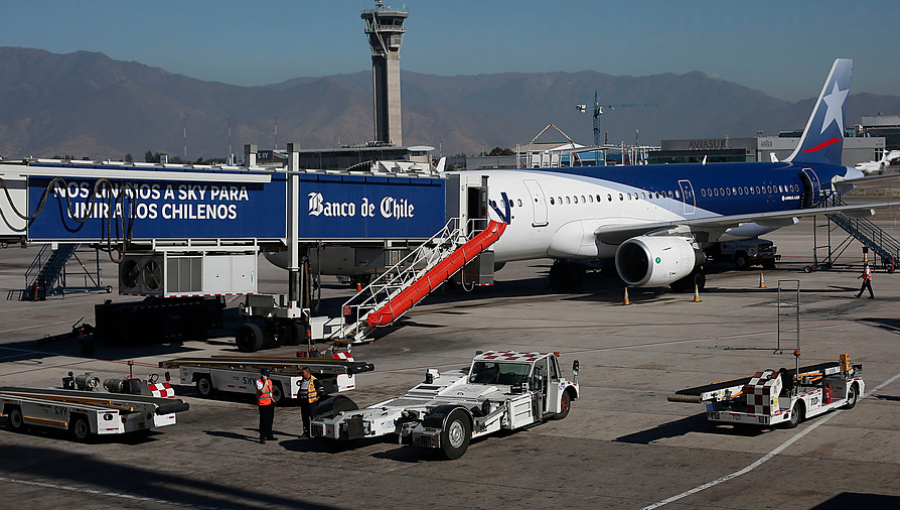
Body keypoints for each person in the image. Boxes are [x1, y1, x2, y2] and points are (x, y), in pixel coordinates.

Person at [298, 366, 325, 437]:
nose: (302, 374)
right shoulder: (303, 380)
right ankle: (306, 433)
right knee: (305, 418)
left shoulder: (314, 380)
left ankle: (316, 434)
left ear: (308, 373)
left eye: (303, 373)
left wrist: (318, 396)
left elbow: (321, 388)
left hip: (311, 403)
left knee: (313, 418)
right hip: (304, 403)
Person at [256, 368, 276, 444]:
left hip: (270, 402)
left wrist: (272, 400)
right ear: (263, 375)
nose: (268, 377)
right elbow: (262, 391)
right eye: (266, 375)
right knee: (263, 421)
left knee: (270, 420)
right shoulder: (258, 382)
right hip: (263, 404)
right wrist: (265, 382)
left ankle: (269, 435)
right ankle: (262, 437)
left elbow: (270, 391)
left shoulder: (270, 381)